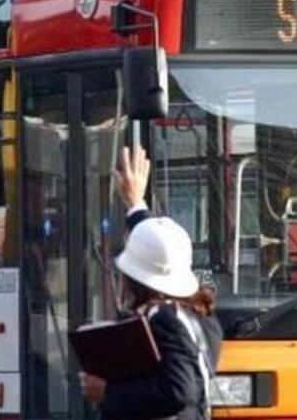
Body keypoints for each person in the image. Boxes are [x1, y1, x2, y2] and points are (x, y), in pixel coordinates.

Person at [79, 145, 223, 420]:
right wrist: (136, 205)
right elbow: (159, 251)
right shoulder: (201, 316)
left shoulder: (164, 319)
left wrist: (108, 392)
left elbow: (180, 390)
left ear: (136, 280)